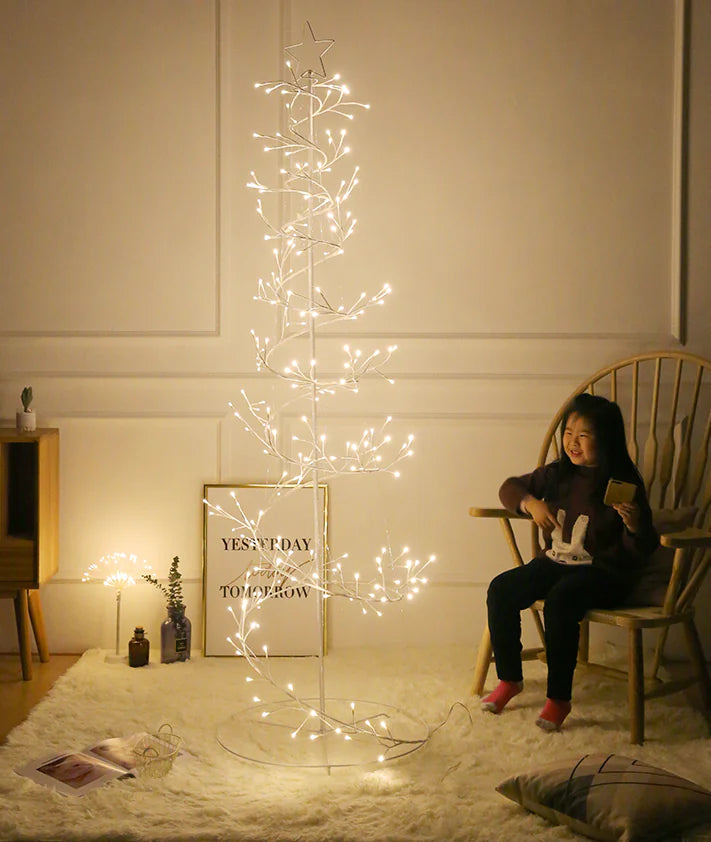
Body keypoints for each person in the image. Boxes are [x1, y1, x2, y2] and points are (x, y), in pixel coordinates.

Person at [481, 393, 659, 731]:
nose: (572, 442)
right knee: (501, 589)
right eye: (568, 432)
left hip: (604, 573)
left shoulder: (623, 485)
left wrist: (634, 525)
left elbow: (642, 548)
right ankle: (509, 679)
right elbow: (509, 487)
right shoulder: (558, 474)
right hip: (555, 561)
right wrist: (530, 503)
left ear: (605, 439)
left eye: (584, 435)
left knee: (561, 601)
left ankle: (558, 698)